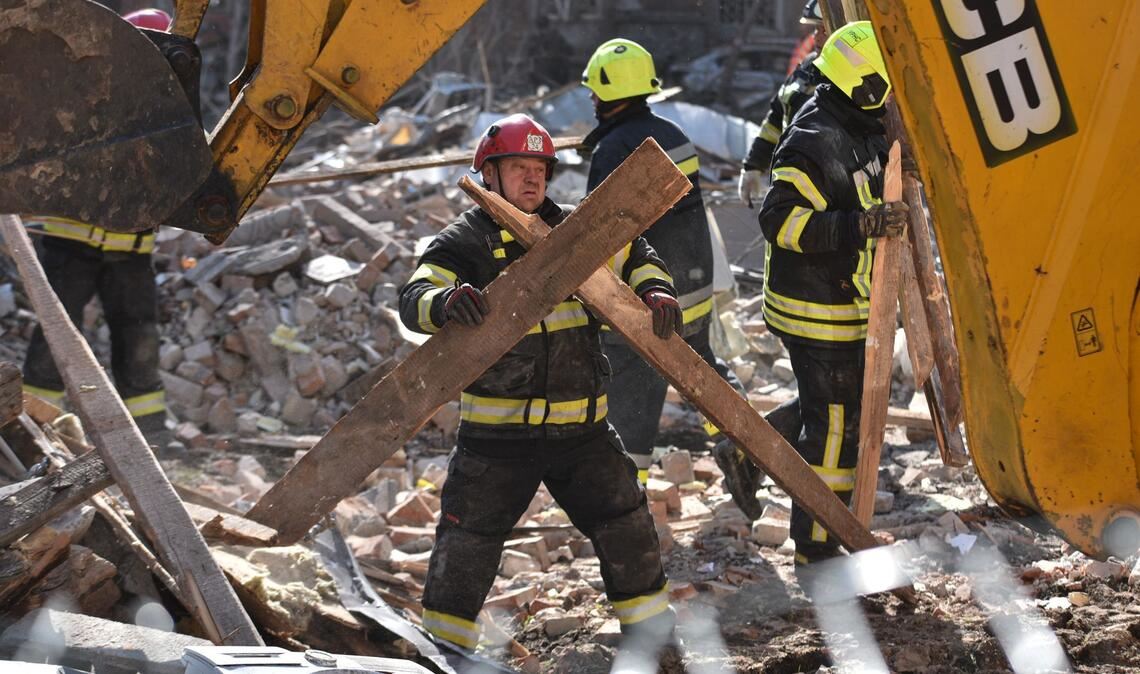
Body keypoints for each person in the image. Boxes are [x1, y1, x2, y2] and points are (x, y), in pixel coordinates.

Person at [398, 114, 681, 652]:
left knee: (627, 524)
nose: (533, 179)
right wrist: (445, 303)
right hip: (496, 440)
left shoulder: (578, 230)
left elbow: (638, 256)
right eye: (518, 168)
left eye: (540, 169)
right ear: (489, 175)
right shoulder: (466, 242)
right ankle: (443, 656)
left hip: (584, 432)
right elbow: (414, 299)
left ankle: (654, 648)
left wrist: (656, 292)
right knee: (467, 543)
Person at [579, 38, 759, 517]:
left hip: (648, 296)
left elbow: (604, 234)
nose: (592, 100)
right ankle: (741, 443)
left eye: (595, 92)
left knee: (632, 392)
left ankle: (627, 495)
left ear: (608, 92)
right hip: (693, 286)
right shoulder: (672, 133)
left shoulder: (614, 148)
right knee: (702, 367)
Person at [755, 21, 908, 574]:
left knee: (831, 411)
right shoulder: (814, 140)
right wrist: (859, 225)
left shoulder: (859, 121)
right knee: (835, 426)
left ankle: (755, 455)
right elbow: (779, 220)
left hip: (844, 300)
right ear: (864, 83)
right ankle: (817, 547)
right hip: (817, 310)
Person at [22, 8, 172, 448]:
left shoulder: (169, 107)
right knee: (56, 333)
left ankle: (150, 433)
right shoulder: (83, 92)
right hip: (71, 243)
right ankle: (33, 424)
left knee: (138, 333)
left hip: (130, 249)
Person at [738, 0, 830, 207]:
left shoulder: (853, 75)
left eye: (824, 29)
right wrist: (753, 165)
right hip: (788, 183)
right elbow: (776, 119)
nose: (816, 36)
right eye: (815, 28)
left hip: (828, 191)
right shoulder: (806, 68)